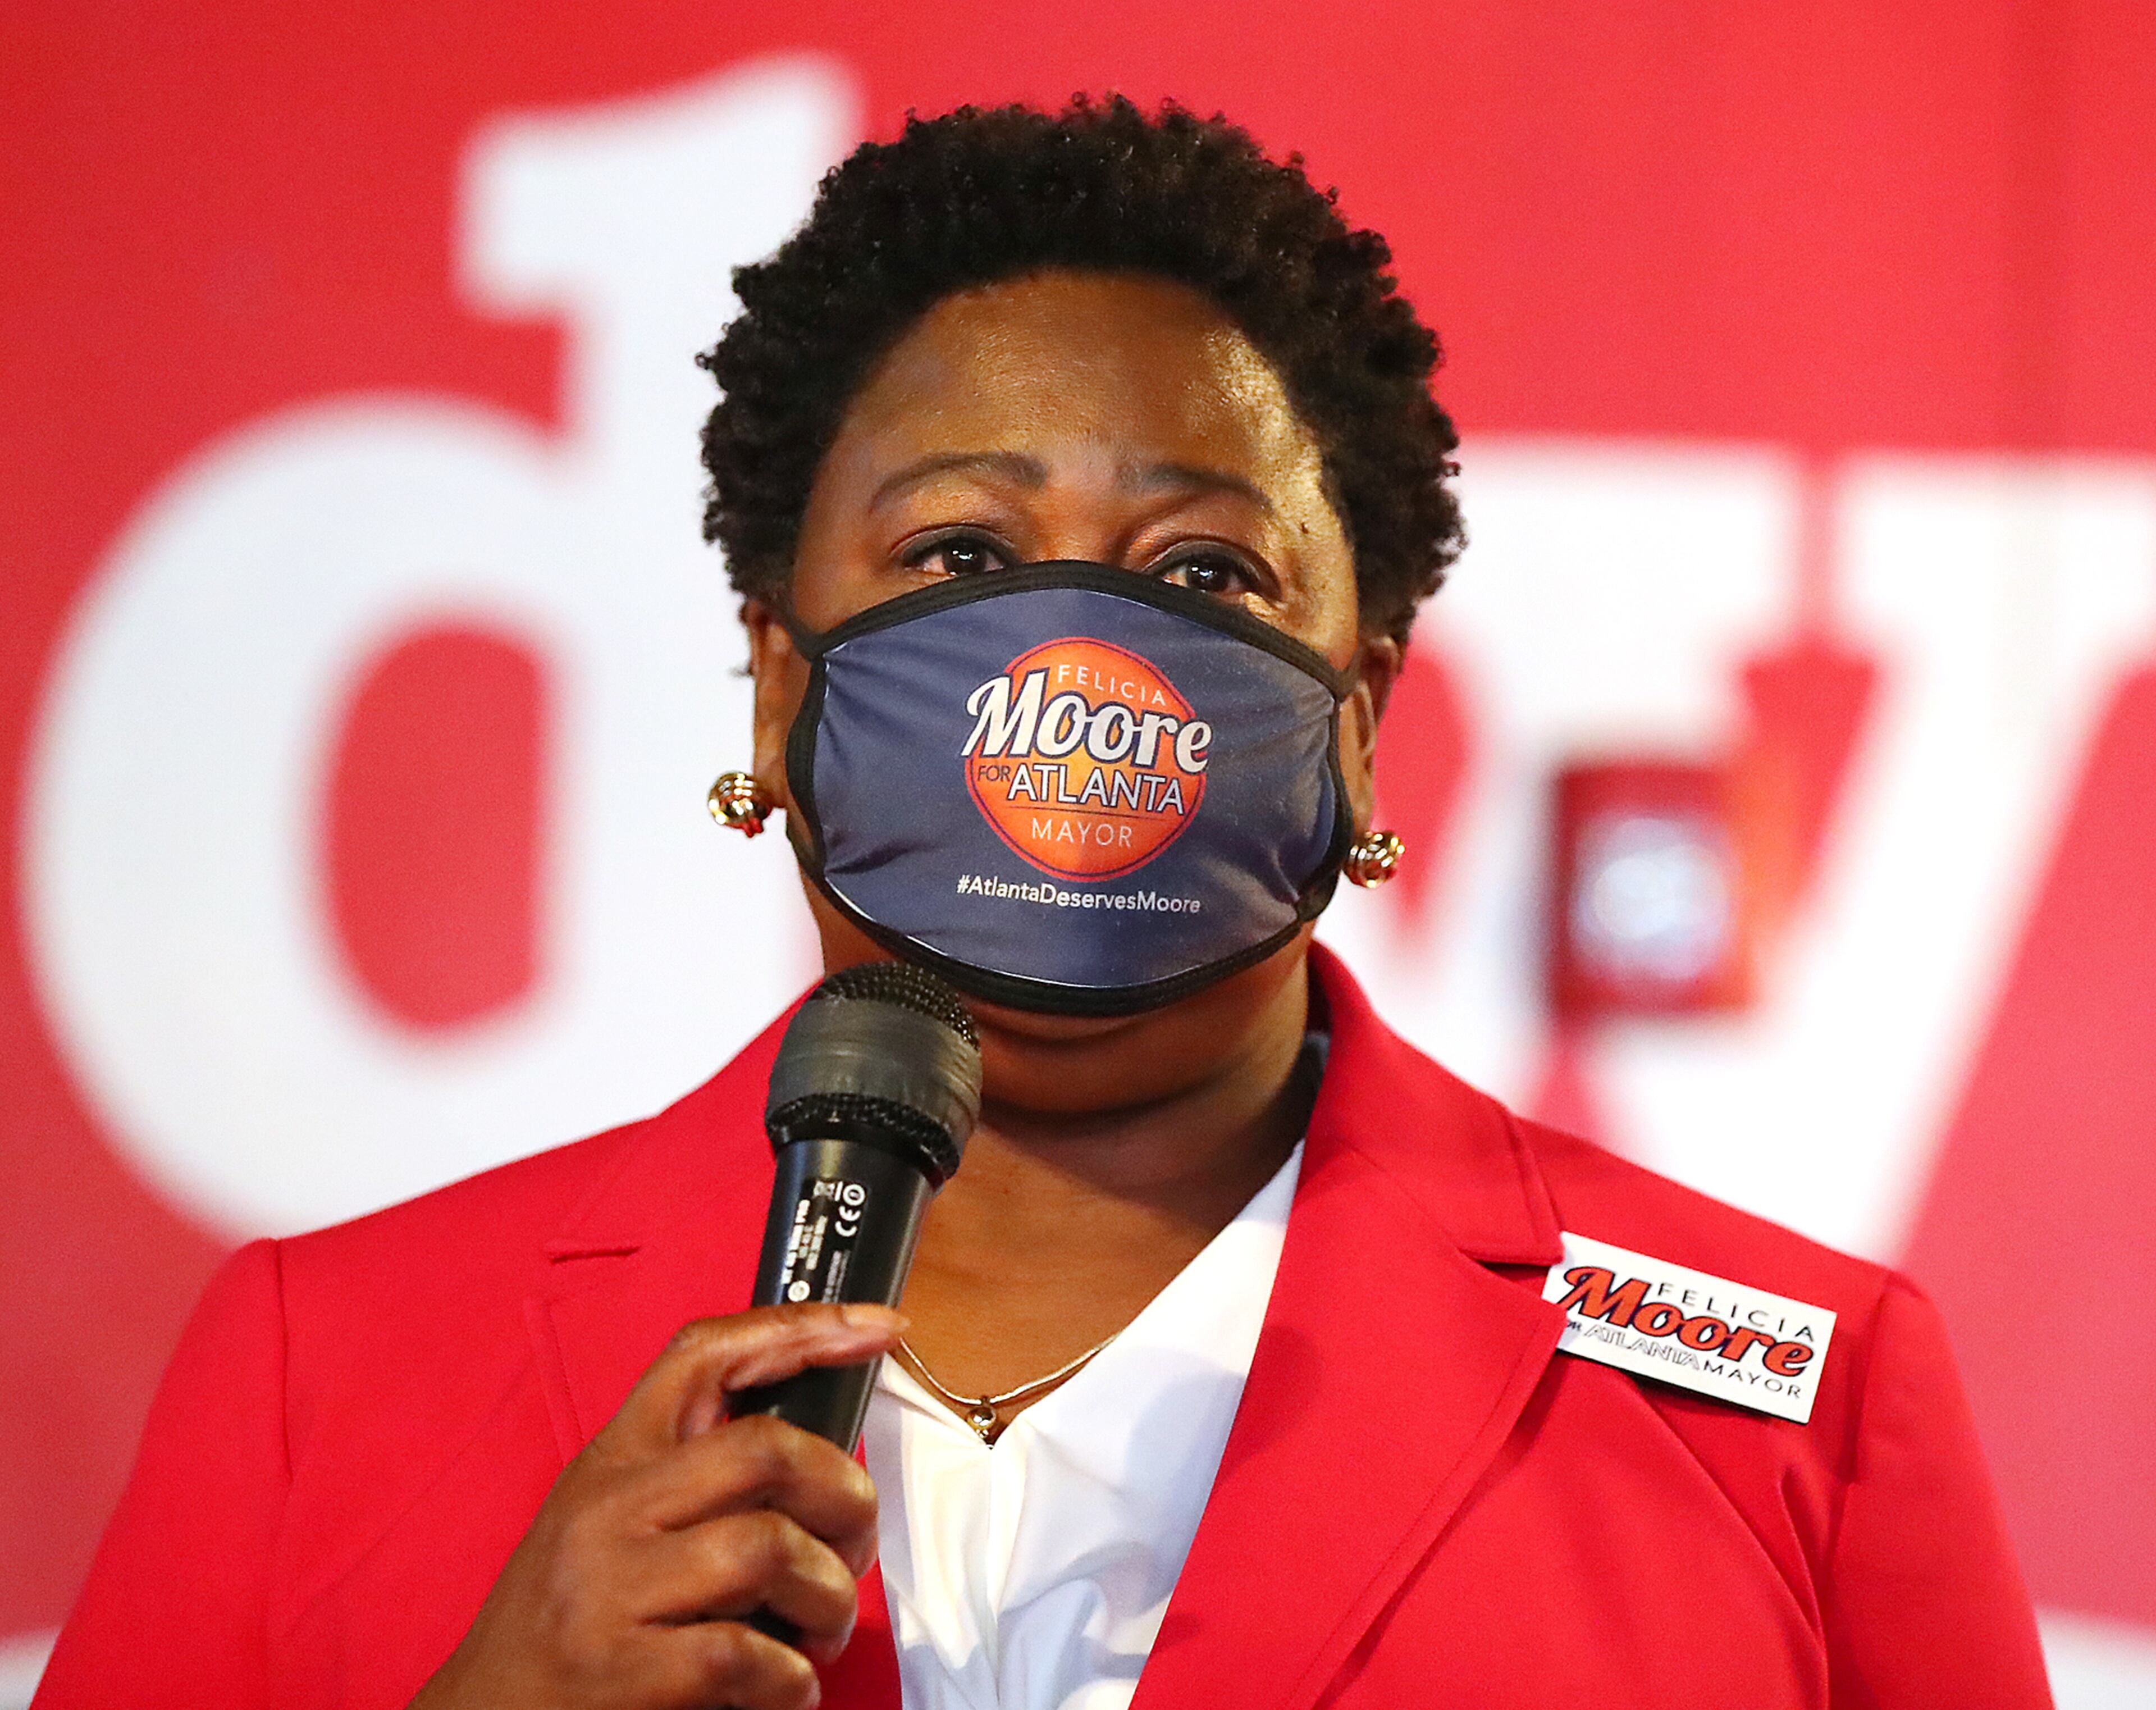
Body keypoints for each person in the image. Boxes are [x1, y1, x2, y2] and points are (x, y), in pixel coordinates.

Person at [35, 98, 2052, 1710]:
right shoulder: (329, 1368)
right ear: (777, 673)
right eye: (953, 552)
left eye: (1203, 577)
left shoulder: (1795, 1402)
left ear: (1356, 717)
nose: (1072, 655)